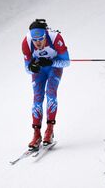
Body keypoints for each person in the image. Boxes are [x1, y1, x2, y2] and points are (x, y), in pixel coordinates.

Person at [21, 19, 70, 149]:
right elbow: (26, 69)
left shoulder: (56, 38)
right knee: (37, 98)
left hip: (54, 67)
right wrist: (32, 67)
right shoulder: (26, 42)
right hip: (40, 70)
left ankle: (49, 130)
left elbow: (66, 62)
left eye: (41, 39)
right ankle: (36, 134)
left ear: (46, 35)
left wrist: (51, 62)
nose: (37, 43)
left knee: (50, 93)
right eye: (34, 40)